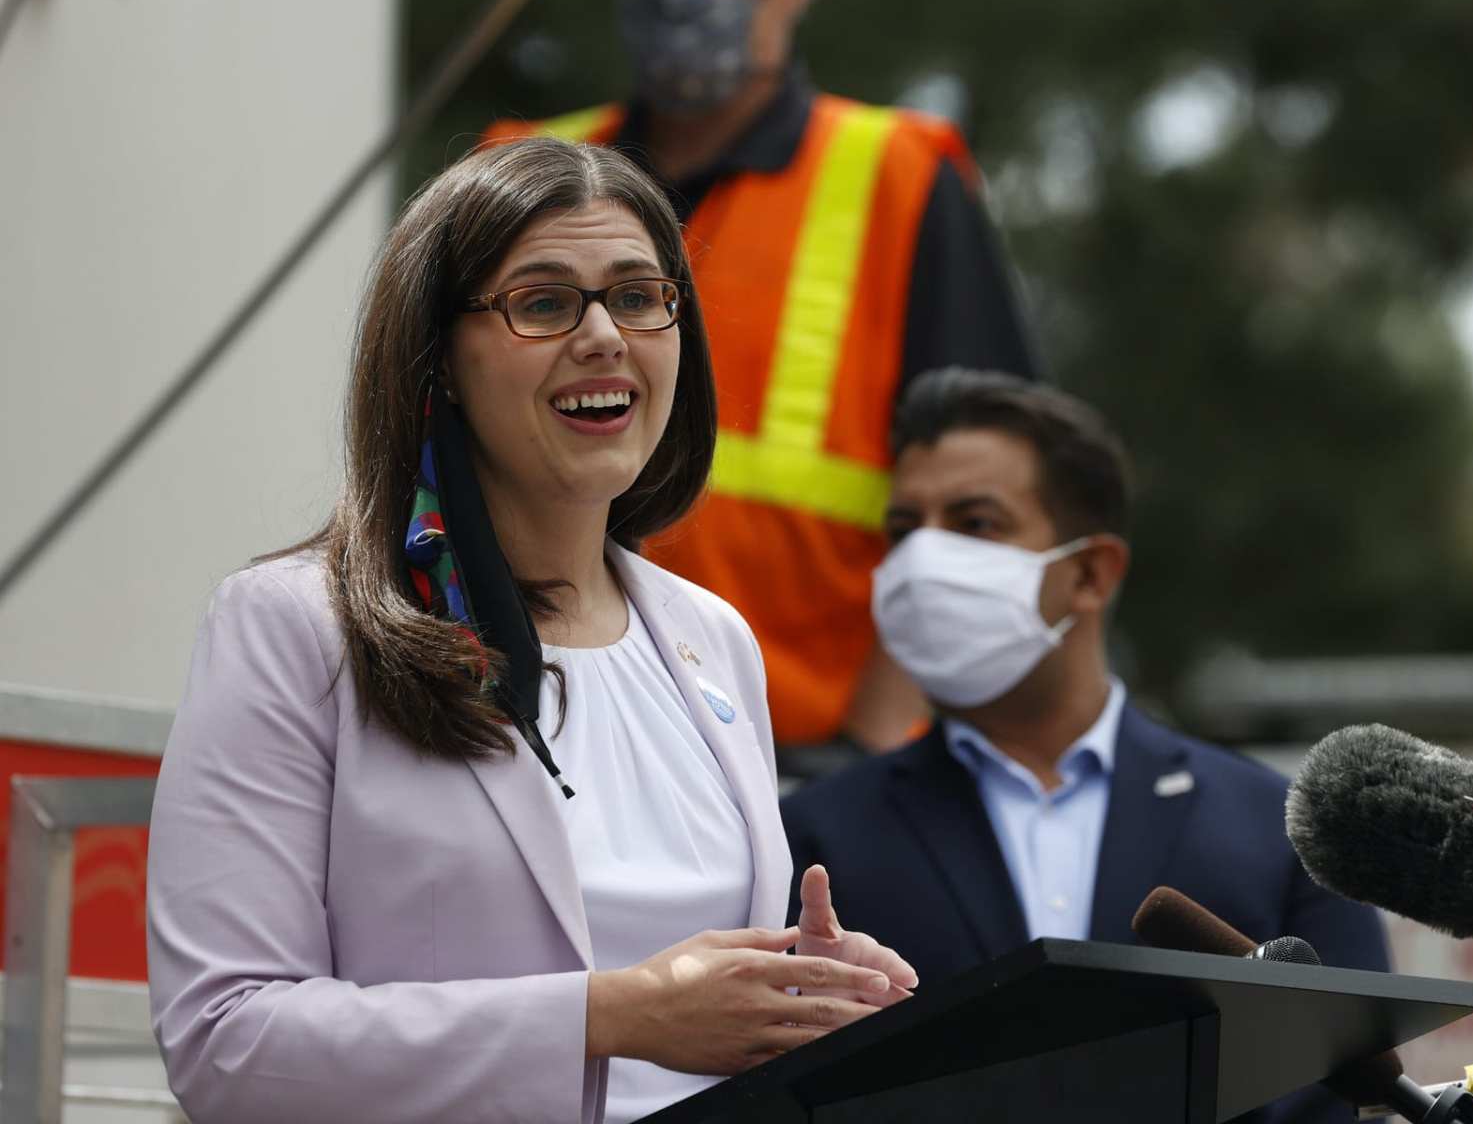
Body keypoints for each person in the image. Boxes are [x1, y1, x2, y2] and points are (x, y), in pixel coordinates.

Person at [146, 138, 916, 1124]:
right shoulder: (293, 627)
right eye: (544, 303)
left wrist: (805, 997)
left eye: (640, 297)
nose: (604, 335)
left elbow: (702, 1029)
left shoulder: (712, 640)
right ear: (443, 362)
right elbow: (227, 1040)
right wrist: (612, 1016)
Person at [483, 0, 1037, 757]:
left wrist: (882, 731)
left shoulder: (898, 174)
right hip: (558, 725)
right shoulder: (518, 170)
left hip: (811, 752)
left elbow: (998, 478)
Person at [780, 369, 1391, 1123]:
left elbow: (1340, 1090)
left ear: (1090, 574)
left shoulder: (1282, 831)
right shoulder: (815, 839)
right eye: (905, 530)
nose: (922, 564)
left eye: (974, 523)